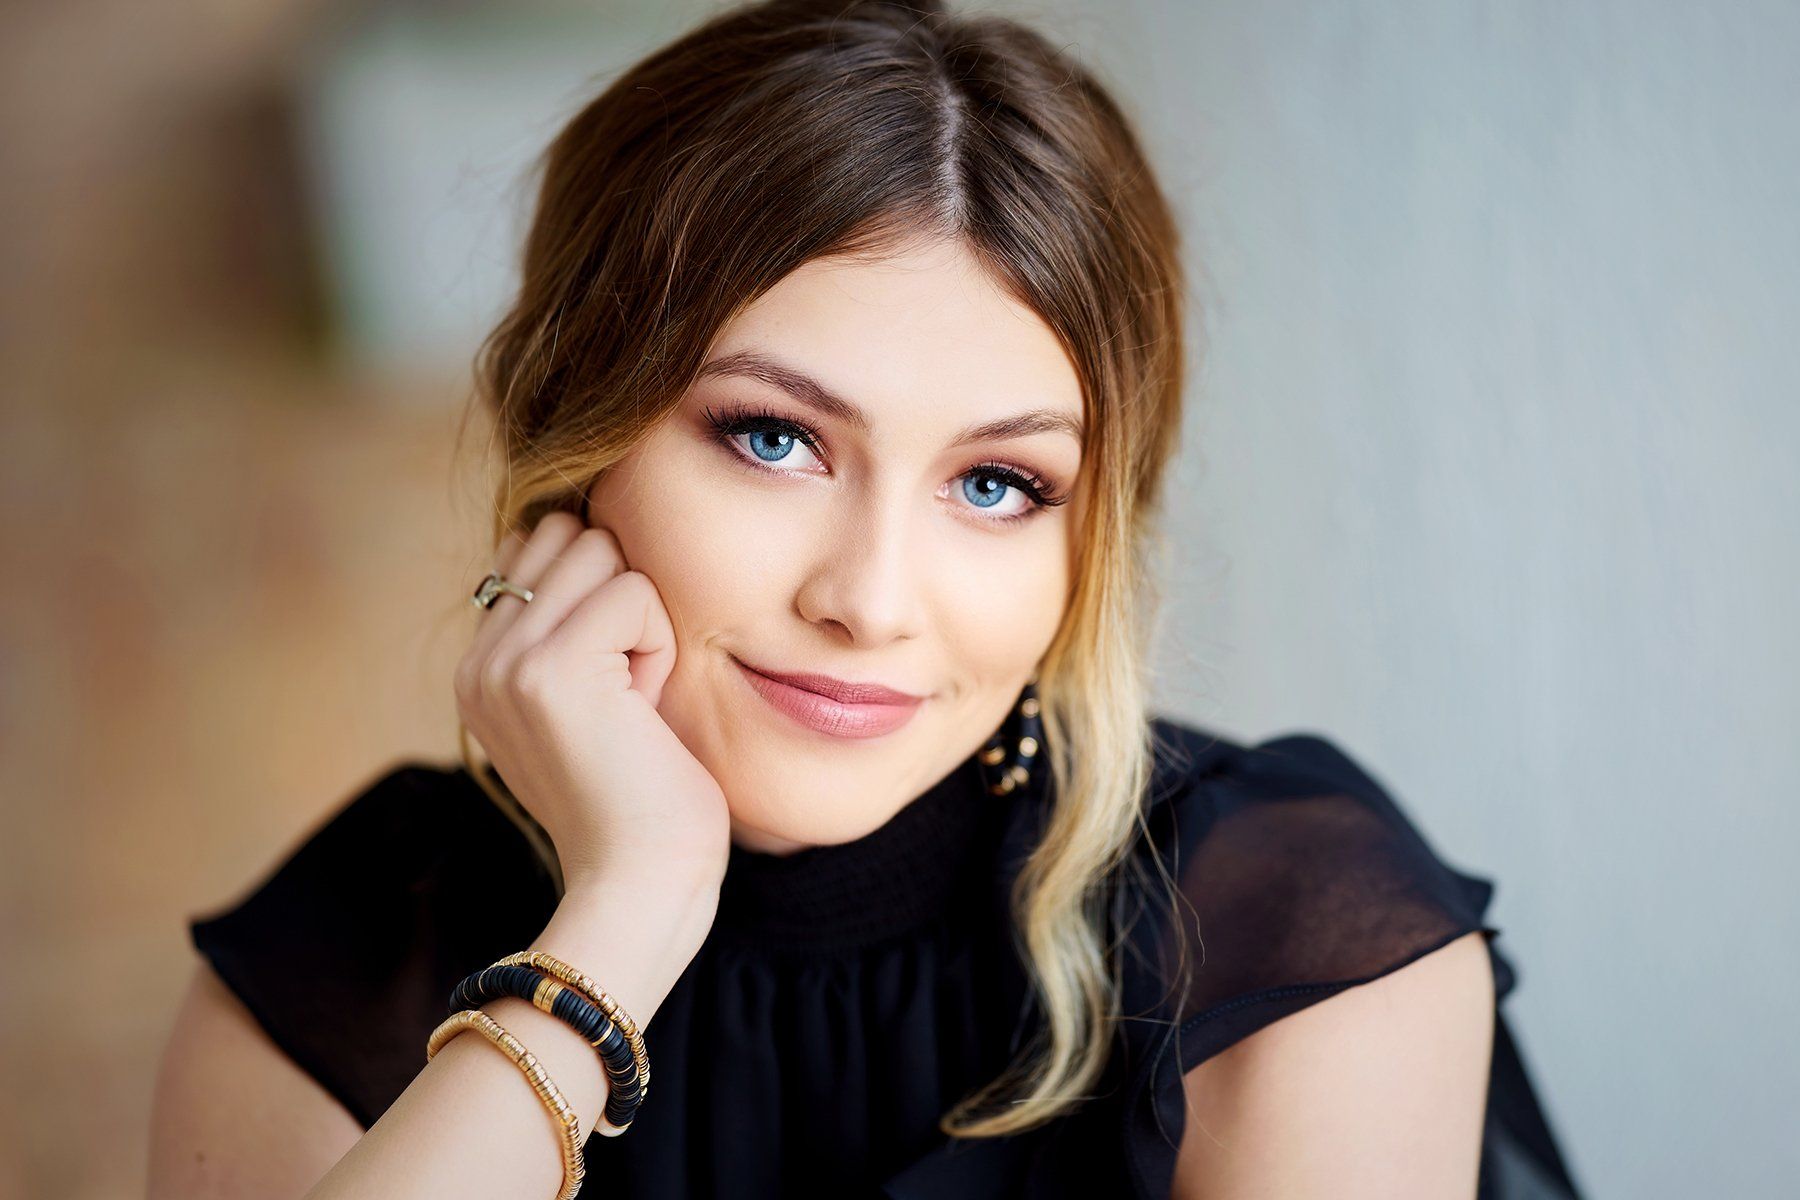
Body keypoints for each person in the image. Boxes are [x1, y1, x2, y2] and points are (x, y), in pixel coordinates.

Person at [147, 1, 1585, 1196]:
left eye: (999, 485)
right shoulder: (348, 945)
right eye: (773, 439)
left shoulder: (1284, 934)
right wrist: (626, 913)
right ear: (576, 431)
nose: (872, 599)